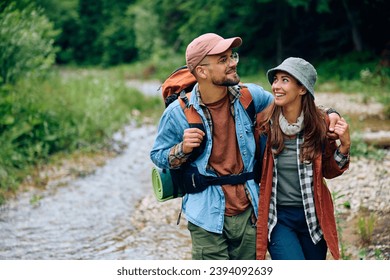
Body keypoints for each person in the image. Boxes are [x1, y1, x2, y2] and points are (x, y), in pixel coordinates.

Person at [150, 33, 341, 260]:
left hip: (249, 211)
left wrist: (329, 114)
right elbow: (158, 155)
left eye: (232, 56)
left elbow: (292, 105)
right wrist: (182, 148)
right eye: (223, 60)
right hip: (205, 215)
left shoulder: (250, 96)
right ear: (202, 71)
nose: (233, 63)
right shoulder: (178, 112)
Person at [255, 57, 351, 260]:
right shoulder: (264, 123)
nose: (276, 86)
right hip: (278, 218)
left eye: (285, 80)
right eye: (276, 80)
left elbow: (329, 170)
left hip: (313, 217)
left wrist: (344, 147)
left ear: (302, 89)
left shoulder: (320, 124)